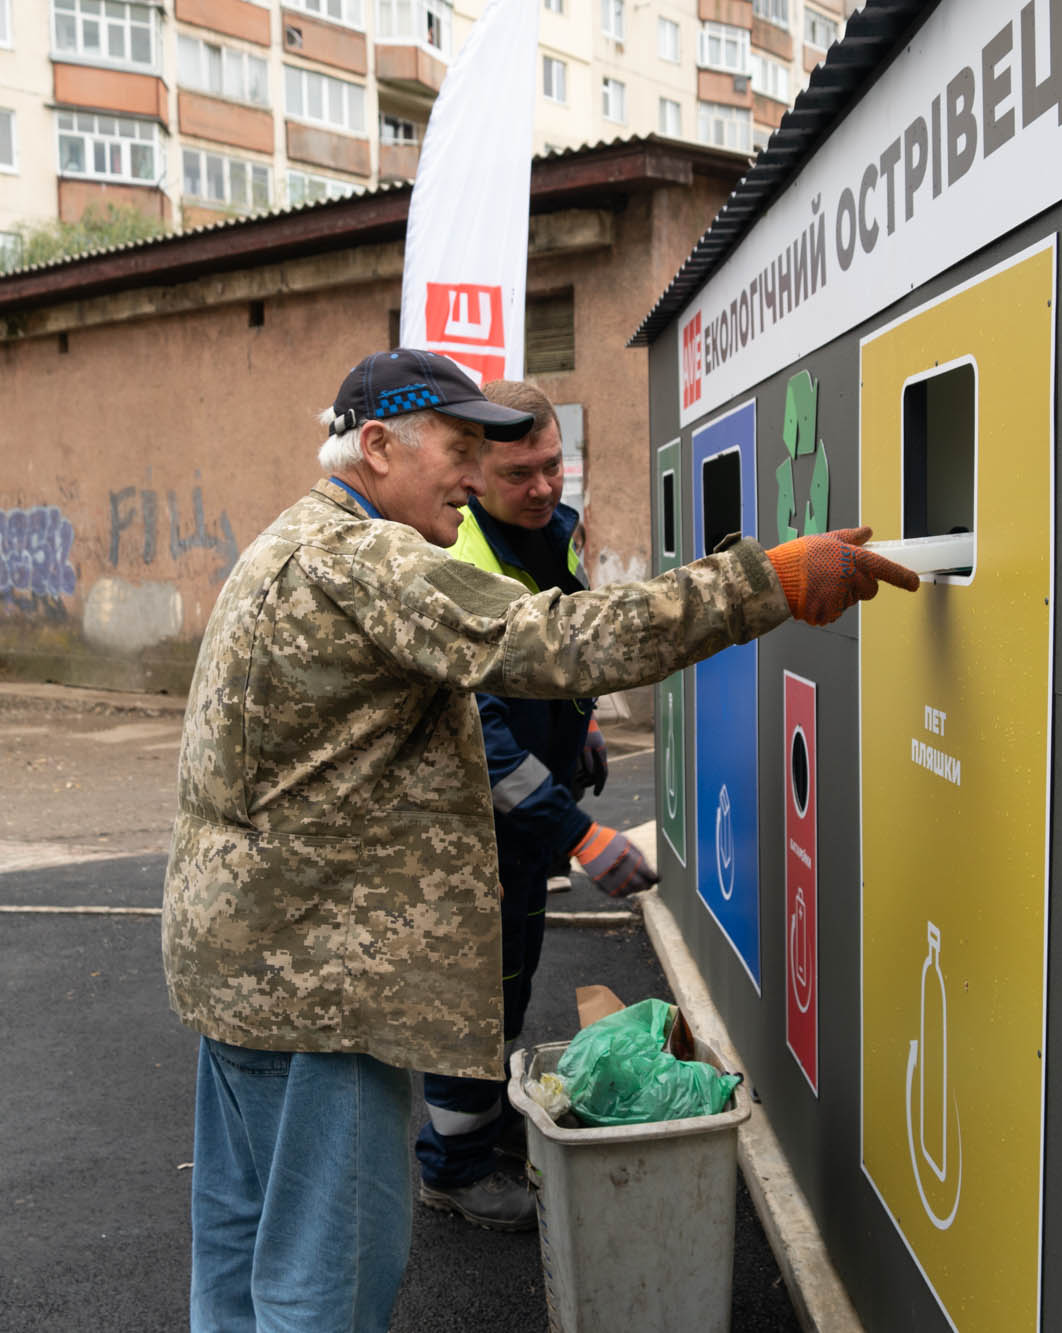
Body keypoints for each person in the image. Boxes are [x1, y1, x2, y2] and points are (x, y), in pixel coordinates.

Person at [162, 348, 919, 1331]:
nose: (477, 477)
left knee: (244, 1238)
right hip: (320, 986)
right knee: (328, 1269)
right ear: (379, 446)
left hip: (242, 965)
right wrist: (760, 582)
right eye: (460, 448)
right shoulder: (365, 557)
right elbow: (551, 644)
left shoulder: (292, 541)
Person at [414, 379, 647, 1230]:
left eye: (555, 464)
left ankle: (485, 1127)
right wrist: (581, 834)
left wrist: (578, 728)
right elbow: (488, 745)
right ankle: (454, 1166)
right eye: (523, 474)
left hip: (521, 833)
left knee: (510, 985)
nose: (546, 486)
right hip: (476, 830)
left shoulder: (551, 530)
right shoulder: (463, 555)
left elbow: (563, 647)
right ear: (476, 475)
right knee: (474, 997)